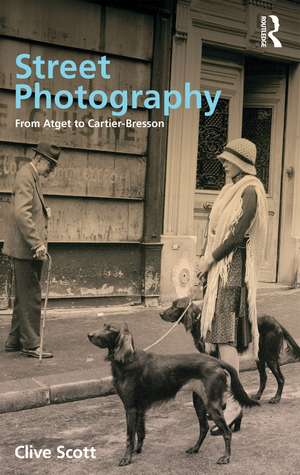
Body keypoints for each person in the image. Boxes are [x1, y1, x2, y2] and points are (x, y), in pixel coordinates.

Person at [197, 138, 268, 434]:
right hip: (221, 271)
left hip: (232, 270)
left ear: (240, 162)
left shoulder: (250, 190)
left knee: (225, 338)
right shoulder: (230, 189)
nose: (223, 162)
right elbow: (215, 230)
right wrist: (205, 262)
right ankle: (227, 402)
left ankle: (235, 404)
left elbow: (237, 235)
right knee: (219, 337)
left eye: (227, 159)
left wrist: (210, 260)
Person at [3, 142, 61, 358]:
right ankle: (32, 344)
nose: (51, 170)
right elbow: (22, 213)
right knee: (31, 296)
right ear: (40, 159)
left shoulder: (30, 176)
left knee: (23, 296)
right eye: (51, 165)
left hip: (25, 248)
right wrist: (36, 243)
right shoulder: (26, 175)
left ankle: (14, 339)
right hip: (27, 249)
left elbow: (30, 210)